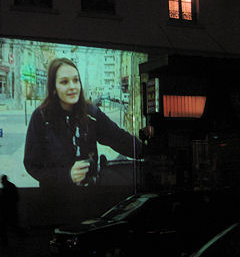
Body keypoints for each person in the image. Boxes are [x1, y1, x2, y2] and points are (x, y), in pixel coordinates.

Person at [24, 57, 153, 187]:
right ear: (53, 88)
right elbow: (32, 165)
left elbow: (119, 139)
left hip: (89, 195)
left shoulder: (91, 113)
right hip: (55, 199)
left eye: (76, 80)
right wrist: (66, 175)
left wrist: (150, 153)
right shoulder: (41, 117)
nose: (72, 87)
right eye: (64, 82)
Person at [0, 174, 21, 246]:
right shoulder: (11, 186)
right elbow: (17, 198)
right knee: (13, 226)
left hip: (7, 210)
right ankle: (23, 235)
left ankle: (4, 242)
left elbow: (14, 198)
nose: (1, 181)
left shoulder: (6, 187)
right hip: (10, 210)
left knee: (4, 227)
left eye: (1, 180)